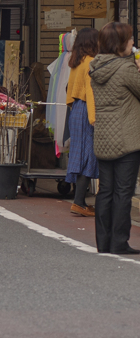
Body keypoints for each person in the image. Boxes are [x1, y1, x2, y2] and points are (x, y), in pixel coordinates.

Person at [88, 22, 140, 254]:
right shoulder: (126, 69)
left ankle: (104, 243)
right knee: (123, 192)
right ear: (120, 45)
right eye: (130, 40)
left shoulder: (96, 68)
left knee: (105, 191)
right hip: (127, 139)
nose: (133, 44)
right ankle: (119, 242)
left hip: (103, 138)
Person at [65, 27, 99, 217]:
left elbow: (70, 90)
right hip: (87, 110)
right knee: (88, 156)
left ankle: (79, 201)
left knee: (79, 154)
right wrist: (94, 118)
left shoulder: (75, 62)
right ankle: (78, 202)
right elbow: (91, 92)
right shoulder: (91, 63)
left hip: (76, 110)